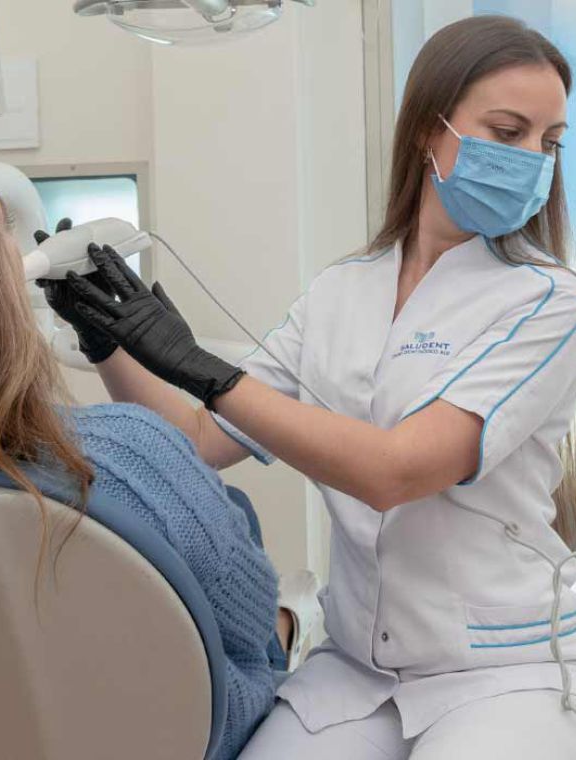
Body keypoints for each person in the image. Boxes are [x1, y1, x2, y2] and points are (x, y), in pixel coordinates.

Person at [46, 14, 576, 758]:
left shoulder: (549, 301)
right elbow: (197, 442)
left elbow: (396, 472)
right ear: (430, 131)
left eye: (548, 143)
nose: (531, 161)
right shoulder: (341, 292)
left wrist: (206, 371)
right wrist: (109, 342)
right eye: (508, 131)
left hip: (500, 668)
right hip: (355, 670)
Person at [0, 149, 302, 760]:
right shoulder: (123, 455)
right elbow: (246, 628)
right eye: (1, 223)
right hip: (185, 736)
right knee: (266, 592)